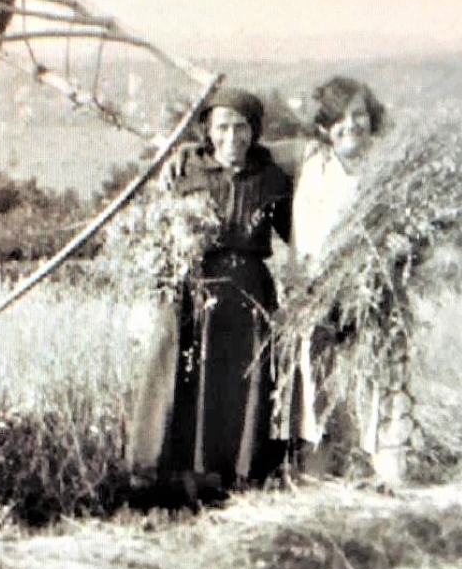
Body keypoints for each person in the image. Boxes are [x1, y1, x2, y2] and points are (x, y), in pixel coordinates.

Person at [127, 87, 293, 505]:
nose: (232, 137)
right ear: (207, 131)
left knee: (240, 382)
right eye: (222, 127)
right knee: (183, 378)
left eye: (241, 127)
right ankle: (169, 478)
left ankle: (234, 478)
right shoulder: (186, 172)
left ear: (255, 132)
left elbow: (295, 231)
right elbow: (159, 228)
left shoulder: (272, 177)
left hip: (247, 291)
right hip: (193, 288)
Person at [282, 76, 412, 485]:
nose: (350, 124)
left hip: (374, 286)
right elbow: (252, 152)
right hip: (320, 285)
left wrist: (403, 244)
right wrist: (192, 152)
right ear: (324, 126)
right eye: (339, 118)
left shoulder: (391, 168)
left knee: (381, 368)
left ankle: (383, 461)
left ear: (372, 119)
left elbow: (418, 231)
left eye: (359, 115)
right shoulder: (312, 163)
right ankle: (317, 458)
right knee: (314, 367)